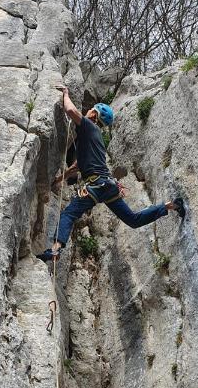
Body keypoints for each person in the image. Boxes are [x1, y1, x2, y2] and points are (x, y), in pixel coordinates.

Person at [37, 89, 186, 262]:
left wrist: (65, 95)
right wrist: (57, 180)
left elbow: (70, 111)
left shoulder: (88, 126)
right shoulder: (95, 137)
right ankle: (173, 205)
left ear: (94, 114)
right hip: (107, 186)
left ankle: (55, 250)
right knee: (133, 219)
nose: (87, 111)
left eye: (91, 110)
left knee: (69, 214)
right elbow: (77, 166)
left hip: (96, 185)